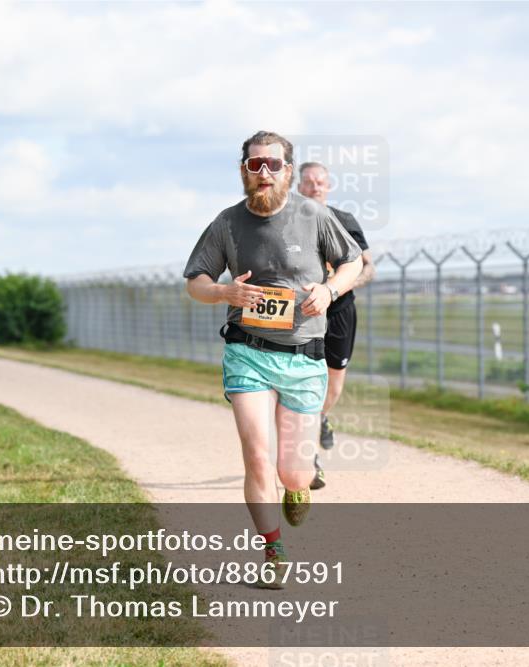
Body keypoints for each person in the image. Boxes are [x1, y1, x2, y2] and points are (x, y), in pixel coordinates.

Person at [183, 131, 362, 588]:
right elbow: (196, 281)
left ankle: (298, 488)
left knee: (293, 472)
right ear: (244, 170)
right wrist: (223, 291)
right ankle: (273, 551)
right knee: (257, 457)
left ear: (288, 170)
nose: (264, 172)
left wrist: (329, 290)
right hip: (248, 352)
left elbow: (353, 263)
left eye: (273, 164)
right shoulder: (227, 223)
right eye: (255, 164)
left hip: (304, 356)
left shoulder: (314, 216)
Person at [297, 162, 376, 490]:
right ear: (298, 187)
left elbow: (368, 267)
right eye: (309, 182)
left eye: (320, 182)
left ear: (328, 186)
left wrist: (337, 288)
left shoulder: (345, 221)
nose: (315, 186)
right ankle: (309, 455)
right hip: (303, 311)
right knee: (304, 382)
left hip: (340, 309)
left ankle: (321, 416)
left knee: (334, 386)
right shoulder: (289, 222)